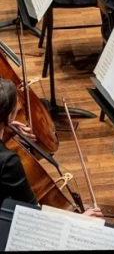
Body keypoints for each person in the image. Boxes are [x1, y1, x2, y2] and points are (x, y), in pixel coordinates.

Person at [0, 77, 102, 217]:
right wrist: (81, 220)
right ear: (10, 116)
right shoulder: (8, 162)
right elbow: (33, 214)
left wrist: (6, 127)